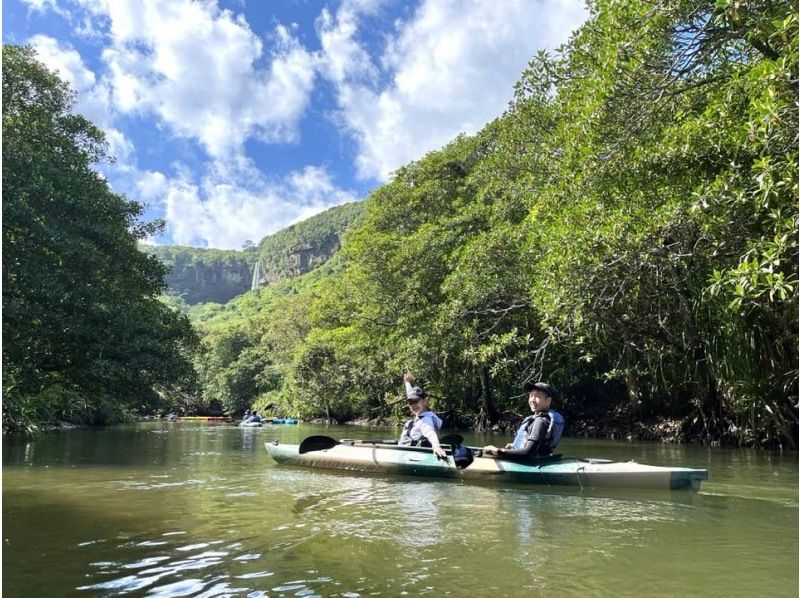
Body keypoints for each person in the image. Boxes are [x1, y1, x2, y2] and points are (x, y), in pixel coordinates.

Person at [483, 381, 565, 462]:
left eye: (537, 396)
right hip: (542, 458)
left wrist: (499, 451)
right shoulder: (544, 419)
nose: (532, 400)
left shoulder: (540, 422)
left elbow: (527, 453)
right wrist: (515, 446)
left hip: (531, 463)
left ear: (548, 401)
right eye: (531, 396)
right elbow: (538, 446)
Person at [398, 372, 447, 458]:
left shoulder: (425, 419)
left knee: (409, 425)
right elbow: (410, 394)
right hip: (410, 447)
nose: (413, 405)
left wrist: (436, 446)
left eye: (416, 401)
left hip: (413, 454)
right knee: (409, 423)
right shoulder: (426, 415)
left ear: (425, 401)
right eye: (410, 402)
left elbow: (430, 432)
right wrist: (407, 382)